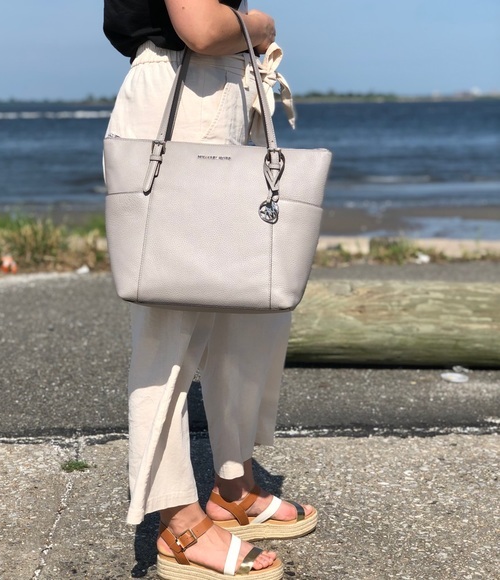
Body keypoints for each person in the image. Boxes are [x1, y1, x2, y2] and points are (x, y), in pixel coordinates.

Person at [103, 1, 316, 577]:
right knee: (170, 330)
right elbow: (199, 27)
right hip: (186, 92)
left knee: (245, 310)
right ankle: (177, 522)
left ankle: (232, 485)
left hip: (213, 90)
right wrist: (262, 27)